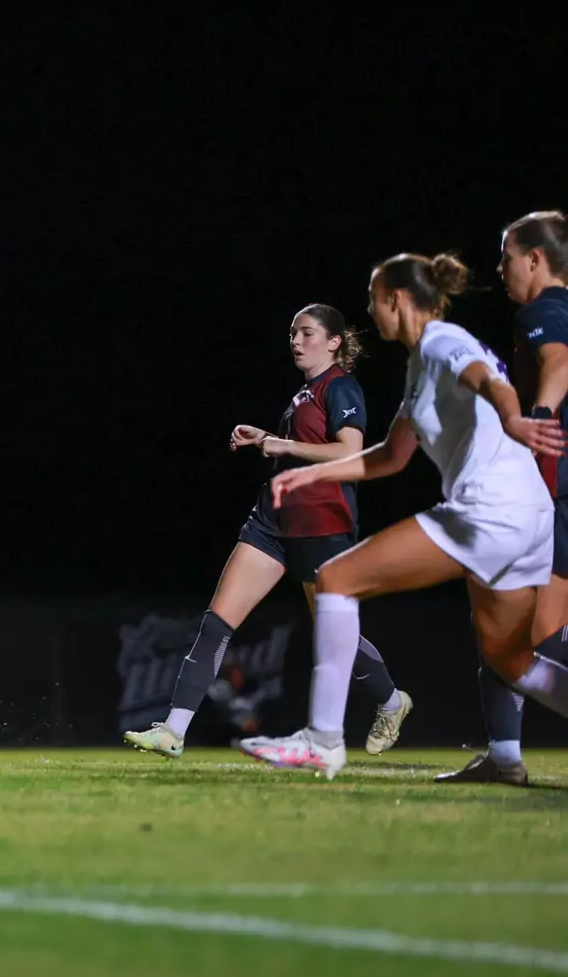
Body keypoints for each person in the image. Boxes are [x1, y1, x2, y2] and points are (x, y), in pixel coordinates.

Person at [238, 252, 568, 779]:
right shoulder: (422, 363)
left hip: (492, 511)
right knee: (511, 659)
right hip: (528, 516)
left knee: (336, 577)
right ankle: (504, 763)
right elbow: (390, 456)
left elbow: (488, 379)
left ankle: (322, 740)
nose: (371, 310)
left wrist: (516, 418)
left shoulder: (441, 341)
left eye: (374, 298)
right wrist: (312, 473)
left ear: (396, 298)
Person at [124, 305, 410, 759]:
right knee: (216, 622)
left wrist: (284, 444)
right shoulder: (305, 393)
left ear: (334, 342)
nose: (296, 341)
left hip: (322, 525)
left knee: (335, 633)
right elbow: (299, 450)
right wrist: (264, 439)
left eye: (307, 333)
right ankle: (173, 731)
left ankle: (392, 702)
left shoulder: (340, 387)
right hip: (273, 522)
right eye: (293, 333)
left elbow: (350, 452)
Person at [437, 212, 568, 785]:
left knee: (511, 631)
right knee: (520, 630)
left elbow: (559, 361)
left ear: (535, 259)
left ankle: (506, 756)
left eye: (506, 256)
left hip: (554, 495)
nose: (500, 268)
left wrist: (537, 416)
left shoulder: (541, 311)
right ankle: (505, 755)